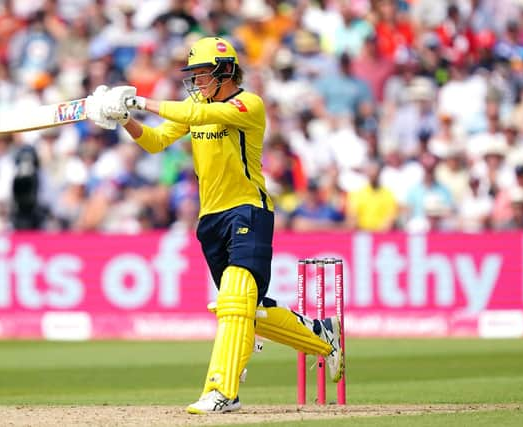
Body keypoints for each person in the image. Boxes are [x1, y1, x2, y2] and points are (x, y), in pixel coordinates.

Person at [84, 36, 343, 414]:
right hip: (211, 220)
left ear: (225, 71)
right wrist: (126, 120)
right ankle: (324, 336)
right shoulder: (196, 104)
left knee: (235, 299)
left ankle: (223, 391)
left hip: (248, 211)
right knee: (244, 310)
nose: (196, 82)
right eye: (194, 75)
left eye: (202, 74)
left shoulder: (247, 105)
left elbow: (197, 117)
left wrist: (138, 101)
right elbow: (156, 142)